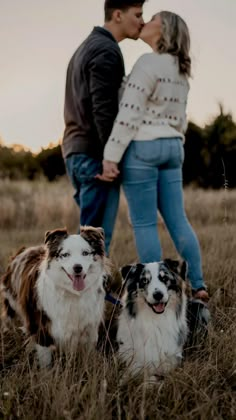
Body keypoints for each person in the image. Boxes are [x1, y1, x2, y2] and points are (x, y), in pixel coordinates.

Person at [99, 10, 209, 301]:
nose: (146, 20)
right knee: (178, 220)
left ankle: (154, 290)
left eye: (154, 18)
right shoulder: (181, 70)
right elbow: (180, 119)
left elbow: (128, 115)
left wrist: (111, 156)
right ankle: (198, 286)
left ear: (165, 30)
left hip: (143, 148)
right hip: (173, 148)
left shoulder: (148, 63)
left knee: (145, 223)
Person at [61, 0, 146, 254]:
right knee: (93, 247)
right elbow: (104, 110)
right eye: (138, 14)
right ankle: (87, 294)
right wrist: (111, 157)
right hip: (95, 156)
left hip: (75, 151)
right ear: (118, 15)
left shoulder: (86, 46)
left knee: (88, 243)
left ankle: (89, 292)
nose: (142, 21)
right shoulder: (106, 51)